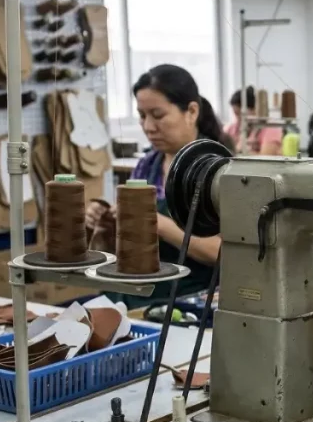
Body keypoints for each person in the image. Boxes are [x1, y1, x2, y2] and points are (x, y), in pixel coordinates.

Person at [85, 64, 229, 308]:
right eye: (142, 116)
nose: (148, 127)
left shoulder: (218, 170)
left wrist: (159, 224)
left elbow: (225, 253)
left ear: (191, 111)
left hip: (191, 304)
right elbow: (127, 247)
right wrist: (106, 223)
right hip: (135, 298)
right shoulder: (146, 167)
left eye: (158, 115)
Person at [224, 86, 282, 155]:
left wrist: (240, 151)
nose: (238, 118)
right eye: (235, 114)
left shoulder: (271, 128)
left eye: (239, 114)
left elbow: (267, 158)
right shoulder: (232, 128)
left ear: (254, 109)